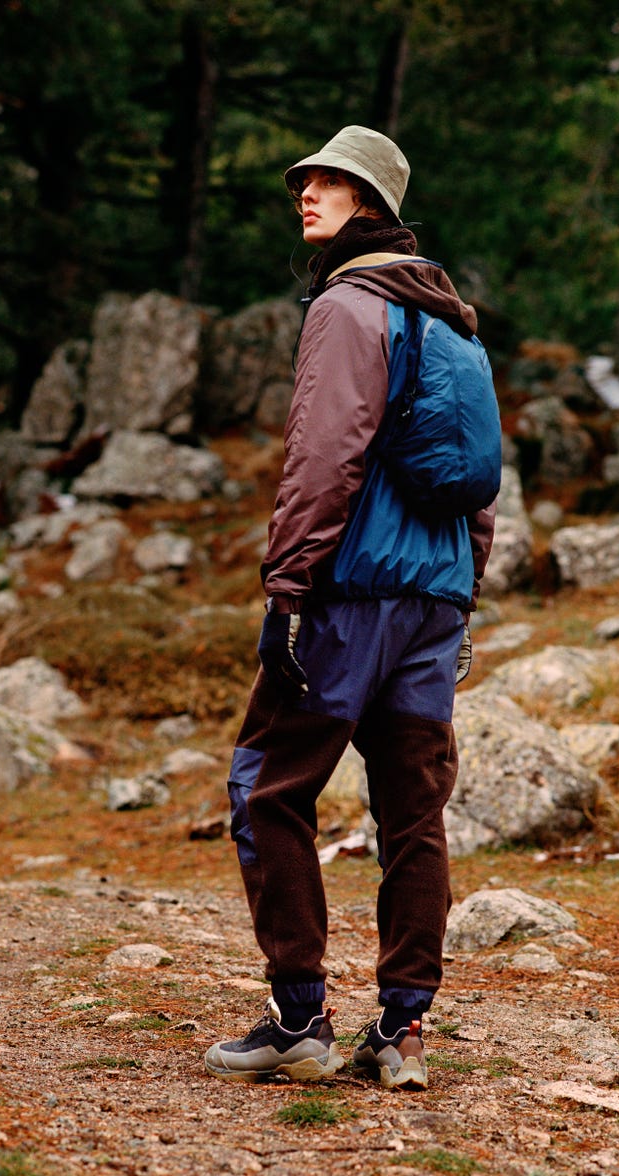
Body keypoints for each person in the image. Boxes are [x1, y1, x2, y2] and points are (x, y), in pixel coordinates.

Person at [204, 125, 496, 1090]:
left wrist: (289, 587)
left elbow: (323, 457)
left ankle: (298, 1018)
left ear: (370, 202)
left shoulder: (346, 304)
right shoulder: (451, 316)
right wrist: (463, 597)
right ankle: (404, 1032)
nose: (307, 192)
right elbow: (478, 485)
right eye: (306, 179)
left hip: (349, 599)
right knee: (413, 816)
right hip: (433, 602)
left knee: (268, 788)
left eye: (330, 180)